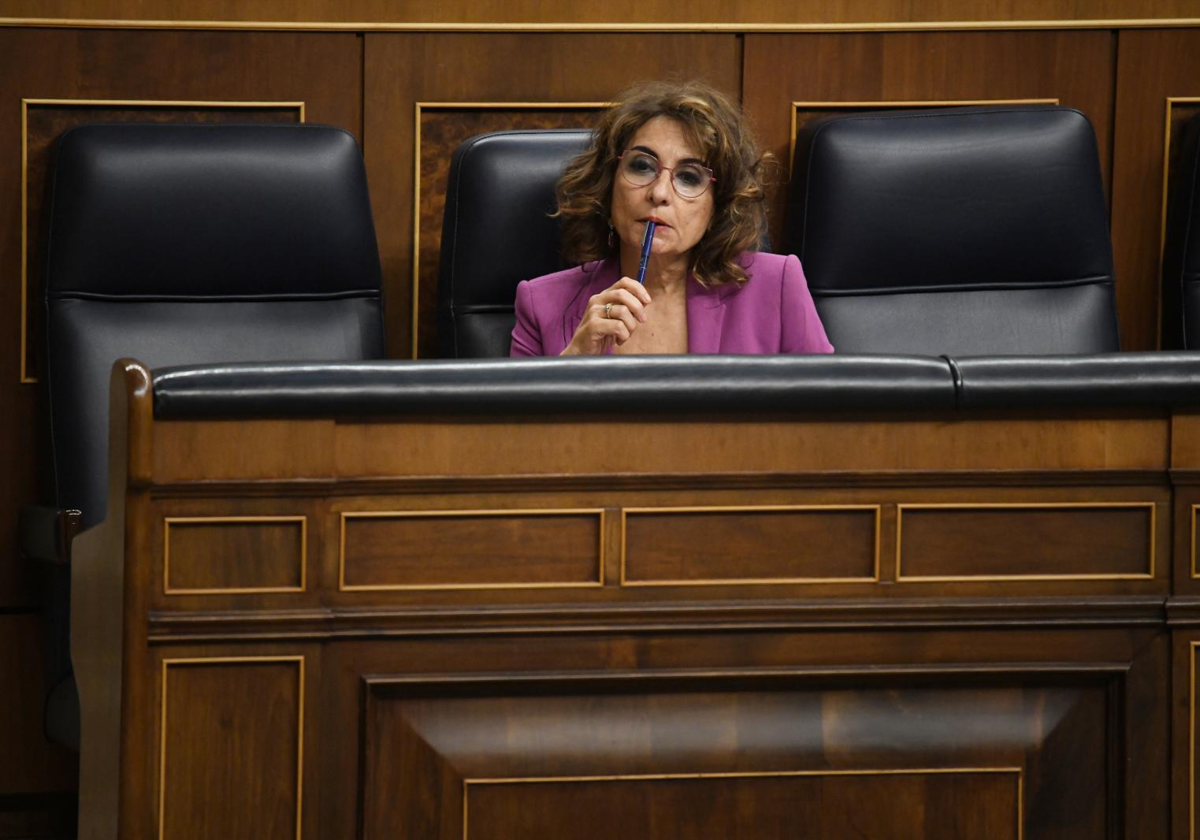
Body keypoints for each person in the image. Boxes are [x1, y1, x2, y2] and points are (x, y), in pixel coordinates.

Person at [509, 80, 833, 357]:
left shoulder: (777, 286)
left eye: (689, 177)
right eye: (642, 166)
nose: (660, 192)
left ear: (717, 206)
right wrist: (571, 363)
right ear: (608, 185)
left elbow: (831, 420)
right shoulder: (542, 304)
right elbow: (512, 431)